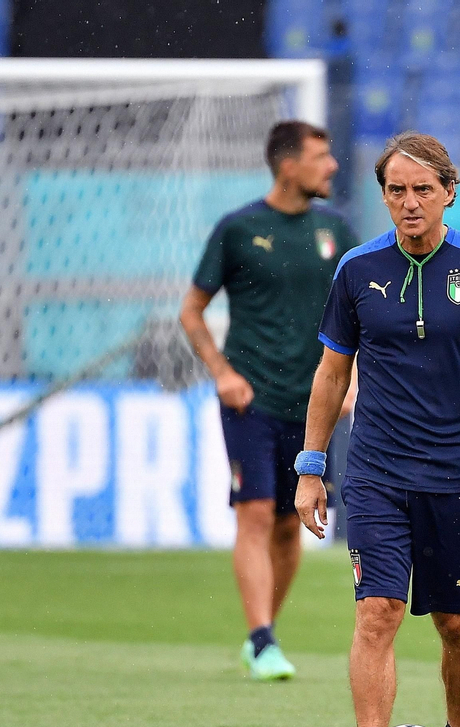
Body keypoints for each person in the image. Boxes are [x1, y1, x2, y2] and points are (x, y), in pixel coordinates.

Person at [295, 131, 460, 727]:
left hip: (457, 473)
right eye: (396, 191)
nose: (409, 204)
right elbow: (330, 371)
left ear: (449, 192)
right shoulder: (355, 271)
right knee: (377, 611)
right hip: (374, 471)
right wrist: (311, 465)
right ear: (383, 196)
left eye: (422, 190)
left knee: (457, 622)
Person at [180, 120, 359, 681]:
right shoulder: (238, 229)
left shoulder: (338, 231)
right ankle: (261, 640)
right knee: (255, 514)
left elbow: (361, 317)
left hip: (315, 406)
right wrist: (222, 373)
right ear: (288, 165)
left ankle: (264, 635)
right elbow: (191, 310)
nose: (332, 166)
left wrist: (353, 381)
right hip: (250, 397)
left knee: (291, 524)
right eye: (321, 156)